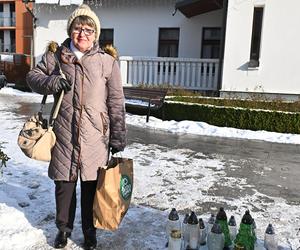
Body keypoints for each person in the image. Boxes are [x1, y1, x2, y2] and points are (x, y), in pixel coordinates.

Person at [26, 4, 126, 250]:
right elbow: (32, 77)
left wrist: (118, 136)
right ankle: (63, 230)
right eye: (78, 28)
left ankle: (90, 233)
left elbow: (116, 101)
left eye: (89, 30)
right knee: (64, 187)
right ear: (71, 30)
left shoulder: (107, 62)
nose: (83, 34)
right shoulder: (56, 57)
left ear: (96, 34)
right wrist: (52, 81)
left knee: (92, 188)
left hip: (96, 136)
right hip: (64, 134)